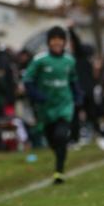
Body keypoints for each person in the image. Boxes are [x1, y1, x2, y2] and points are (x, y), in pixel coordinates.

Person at [23, 27, 80, 184]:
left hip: (64, 105)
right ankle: (60, 156)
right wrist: (37, 95)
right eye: (53, 39)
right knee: (52, 140)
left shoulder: (69, 61)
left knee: (61, 136)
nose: (56, 42)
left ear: (64, 42)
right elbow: (27, 80)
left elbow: (74, 81)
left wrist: (78, 96)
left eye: (60, 39)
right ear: (48, 42)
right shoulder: (40, 60)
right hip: (46, 109)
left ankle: (59, 172)